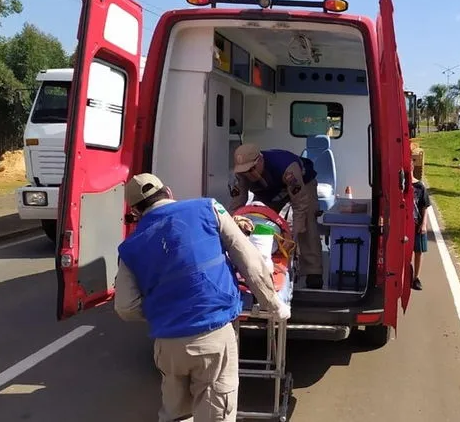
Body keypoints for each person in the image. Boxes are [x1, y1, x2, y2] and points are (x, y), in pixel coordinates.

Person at [113, 173, 291, 422]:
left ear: (136, 211)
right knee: (215, 414)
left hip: (168, 344)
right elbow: (249, 262)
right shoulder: (208, 208)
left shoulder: (129, 248)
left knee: (176, 415)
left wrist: (164, 311)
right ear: (170, 192)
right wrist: (274, 305)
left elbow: (125, 307)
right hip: (213, 337)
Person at [228, 143, 324, 290]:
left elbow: (300, 206)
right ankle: (263, 261)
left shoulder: (287, 167)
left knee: (307, 221)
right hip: (269, 192)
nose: (248, 174)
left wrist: (292, 236)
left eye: (251, 169)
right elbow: (236, 205)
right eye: (244, 171)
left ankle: (313, 272)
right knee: (259, 222)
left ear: (260, 160)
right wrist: (230, 228)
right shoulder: (241, 174)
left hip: (302, 185)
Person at [412, 160, 430, 291]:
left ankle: (416, 278)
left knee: (418, 251)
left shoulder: (420, 186)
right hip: (404, 225)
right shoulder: (401, 186)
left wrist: (423, 224)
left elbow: (424, 207)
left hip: (417, 223)